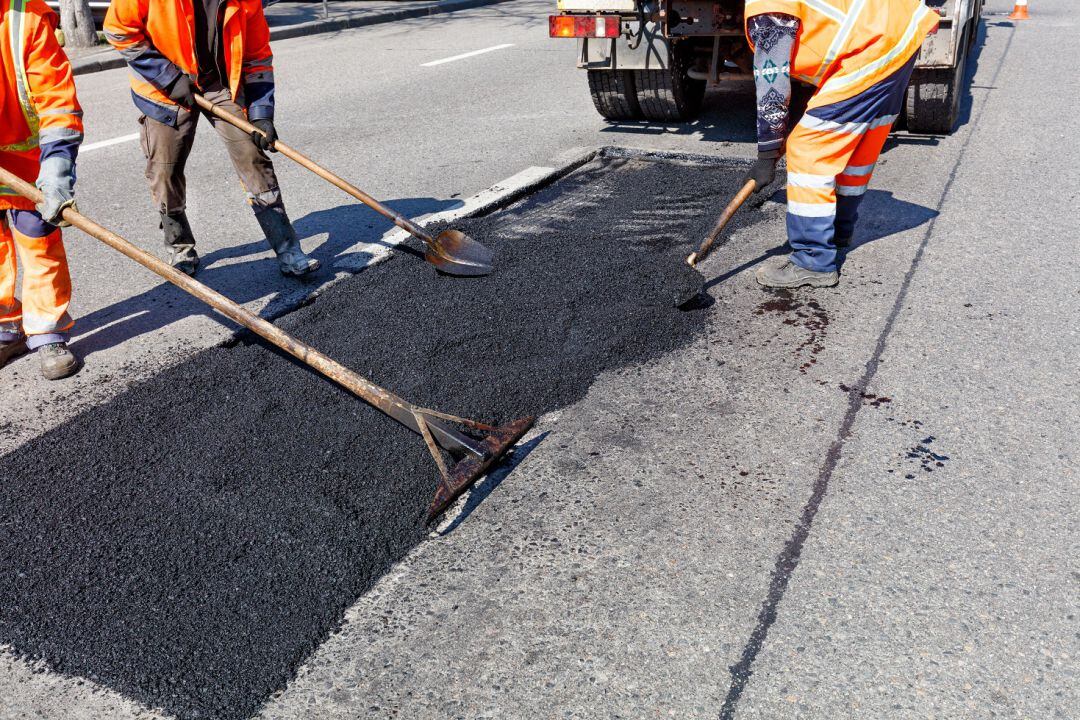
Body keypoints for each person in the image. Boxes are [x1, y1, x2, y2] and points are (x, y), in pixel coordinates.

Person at [104, 0, 319, 277]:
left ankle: (288, 249)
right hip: (164, 90)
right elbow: (118, 30)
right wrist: (168, 78)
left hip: (220, 84)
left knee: (252, 154)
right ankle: (179, 247)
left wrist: (261, 112)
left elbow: (256, 56)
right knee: (164, 169)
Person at [744, 0, 939, 289]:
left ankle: (813, 260)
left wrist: (767, 152)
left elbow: (772, 82)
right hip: (900, 31)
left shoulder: (767, 5)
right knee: (863, 139)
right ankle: (838, 231)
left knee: (808, 147)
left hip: (873, 45)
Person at [0, 0, 83, 379]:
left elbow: (56, 99)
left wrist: (57, 168)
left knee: (37, 239)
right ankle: (6, 325)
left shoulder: (24, 19)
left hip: (26, 162)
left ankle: (47, 330)